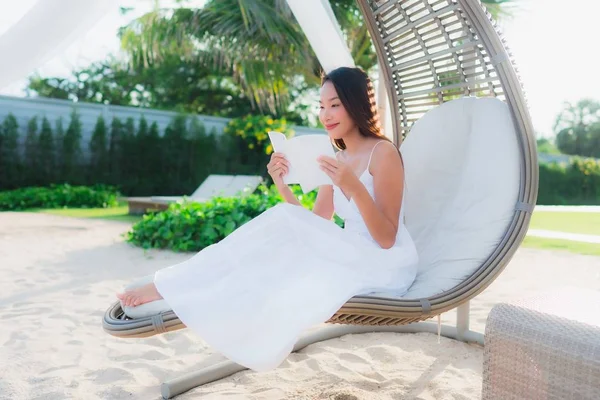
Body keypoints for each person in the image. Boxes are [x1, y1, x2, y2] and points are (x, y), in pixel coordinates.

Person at [116, 66, 418, 371]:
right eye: (321, 106)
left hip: (384, 263)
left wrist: (352, 185)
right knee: (282, 225)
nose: (326, 115)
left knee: (282, 233)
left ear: (356, 103)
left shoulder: (383, 153)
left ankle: (175, 288)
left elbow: (387, 238)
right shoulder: (336, 159)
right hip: (350, 252)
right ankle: (183, 286)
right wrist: (282, 186)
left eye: (335, 104)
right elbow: (314, 225)